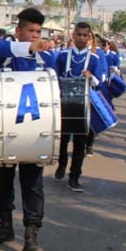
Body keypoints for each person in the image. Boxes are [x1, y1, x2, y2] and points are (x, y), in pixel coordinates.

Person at [0, 8, 57, 251]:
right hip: (4, 128)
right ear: (18, 31)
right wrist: (29, 48)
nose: (35, 36)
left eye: (38, 32)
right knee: (3, 182)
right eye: (30, 31)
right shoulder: (5, 51)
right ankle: (5, 226)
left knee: (33, 183)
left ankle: (32, 235)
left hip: (34, 130)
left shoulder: (48, 59)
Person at [54, 21, 103, 193]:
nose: (81, 38)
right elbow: (54, 75)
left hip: (84, 105)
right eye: (78, 34)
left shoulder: (95, 58)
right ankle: (61, 164)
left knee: (80, 143)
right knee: (62, 139)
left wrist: (91, 78)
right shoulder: (62, 55)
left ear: (89, 38)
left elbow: (101, 82)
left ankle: (75, 176)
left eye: (85, 35)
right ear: (73, 35)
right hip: (65, 103)